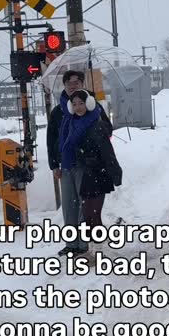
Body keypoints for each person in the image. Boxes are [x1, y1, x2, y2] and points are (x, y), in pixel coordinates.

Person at [47, 70, 112, 254]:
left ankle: (84, 245)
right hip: (66, 165)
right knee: (69, 206)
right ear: (64, 86)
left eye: (76, 82)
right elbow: (51, 140)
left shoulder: (93, 108)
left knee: (85, 206)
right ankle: (71, 244)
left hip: (87, 166)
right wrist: (54, 165)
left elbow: (108, 130)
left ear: (82, 83)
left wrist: (97, 127)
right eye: (68, 83)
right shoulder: (58, 112)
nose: (72, 85)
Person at [68, 90, 122, 231]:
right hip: (87, 173)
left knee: (94, 215)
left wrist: (115, 172)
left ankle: (98, 248)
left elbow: (107, 151)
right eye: (74, 104)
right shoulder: (74, 125)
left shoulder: (97, 124)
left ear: (89, 104)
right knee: (87, 215)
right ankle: (93, 246)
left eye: (81, 103)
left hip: (99, 172)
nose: (78, 107)